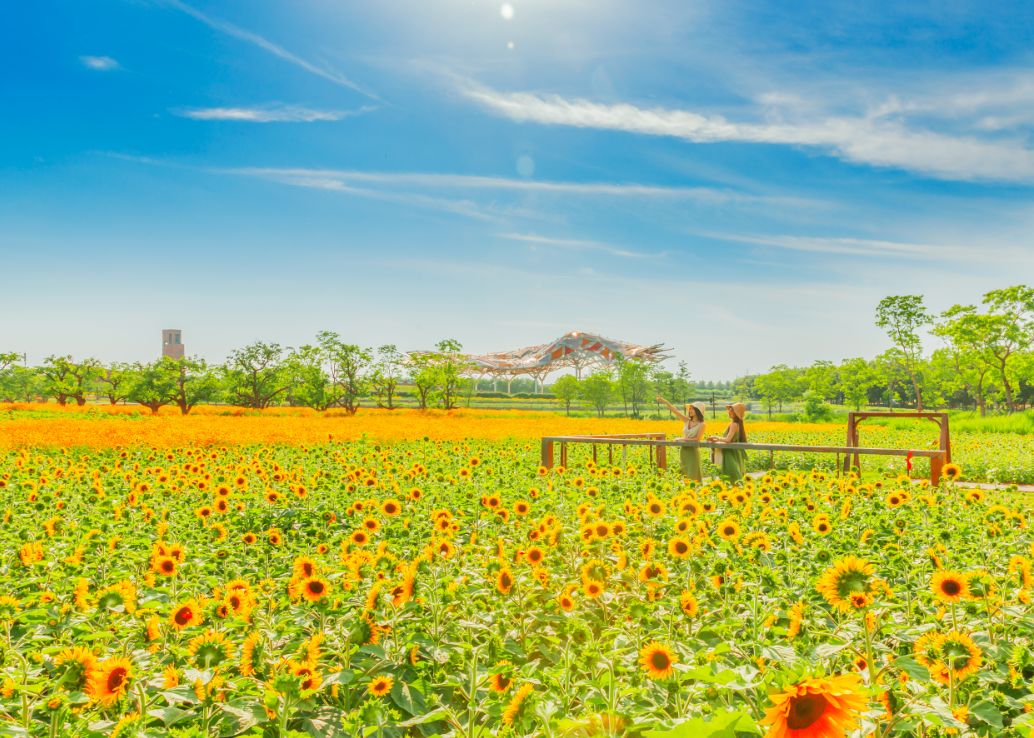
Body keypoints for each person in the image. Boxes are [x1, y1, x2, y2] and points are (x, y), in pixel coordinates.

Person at [656, 396, 707, 482]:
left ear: (698, 411)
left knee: (693, 474)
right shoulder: (687, 421)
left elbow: (697, 439)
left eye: (692, 409)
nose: (689, 411)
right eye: (689, 409)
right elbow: (674, 410)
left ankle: (696, 492)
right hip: (683, 451)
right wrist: (664, 401)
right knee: (685, 474)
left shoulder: (702, 424)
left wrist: (682, 439)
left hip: (692, 452)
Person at [708, 402, 748, 482]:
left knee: (731, 475)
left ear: (736, 413)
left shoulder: (734, 424)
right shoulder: (737, 424)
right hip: (735, 452)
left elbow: (728, 440)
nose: (729, 412)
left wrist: (715, 437)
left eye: (732, 410)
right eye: (729, 410)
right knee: (734, 474)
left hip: (729, 453)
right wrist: (716, 440)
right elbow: (729, 439)